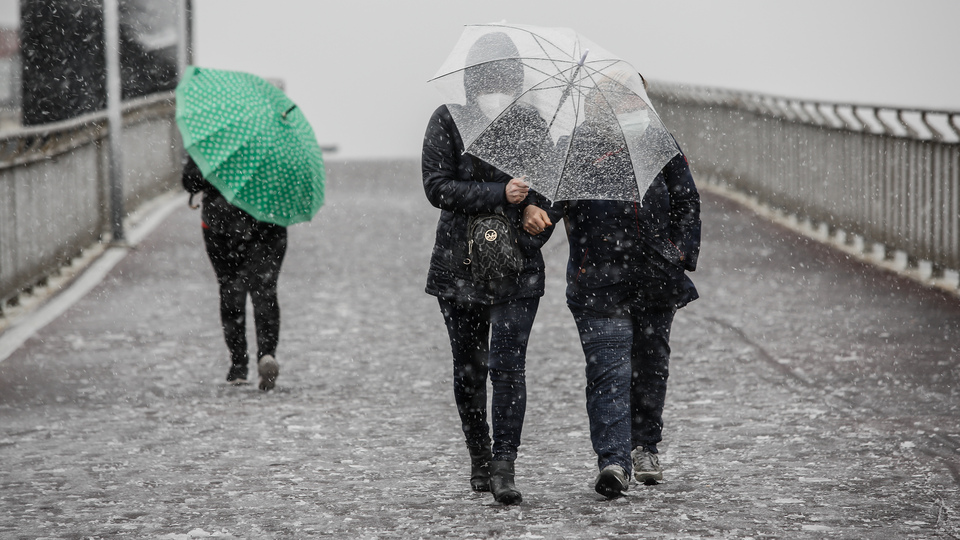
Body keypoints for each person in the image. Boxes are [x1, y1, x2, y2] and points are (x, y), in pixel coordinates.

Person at [523, 73, 701, 498]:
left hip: (657, 280)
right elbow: (546, 217)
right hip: (596, 284)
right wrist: (533, 210)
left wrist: (679, 253)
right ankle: (614, 462)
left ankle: (645, 447)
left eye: (633, 97)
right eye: (617, 98)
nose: (628, 105)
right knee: (608, 372)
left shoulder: (659, 143)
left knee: (650, 366)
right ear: (596, 103)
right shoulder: (574, 150)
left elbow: (687, 201)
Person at [421, 32, 554, 505]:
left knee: (508, 367)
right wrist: (501, 194)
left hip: (518, 266)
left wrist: (539, 216)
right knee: (469, 369)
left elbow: (550, 192)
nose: (499, 82)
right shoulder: (449, 121)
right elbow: (437, 186)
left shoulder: (533, 123)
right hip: (460, 264)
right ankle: (479, 457)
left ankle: (504, 465)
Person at [182, 156, 285, 391]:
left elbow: (191, 182)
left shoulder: (214, 138)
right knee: (265, 291)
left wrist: (213, 176)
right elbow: (287, 183)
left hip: (221, 223)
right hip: (268, 221)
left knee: (230, 288)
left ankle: (238, 365)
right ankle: (266, 355)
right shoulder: (274, 141)